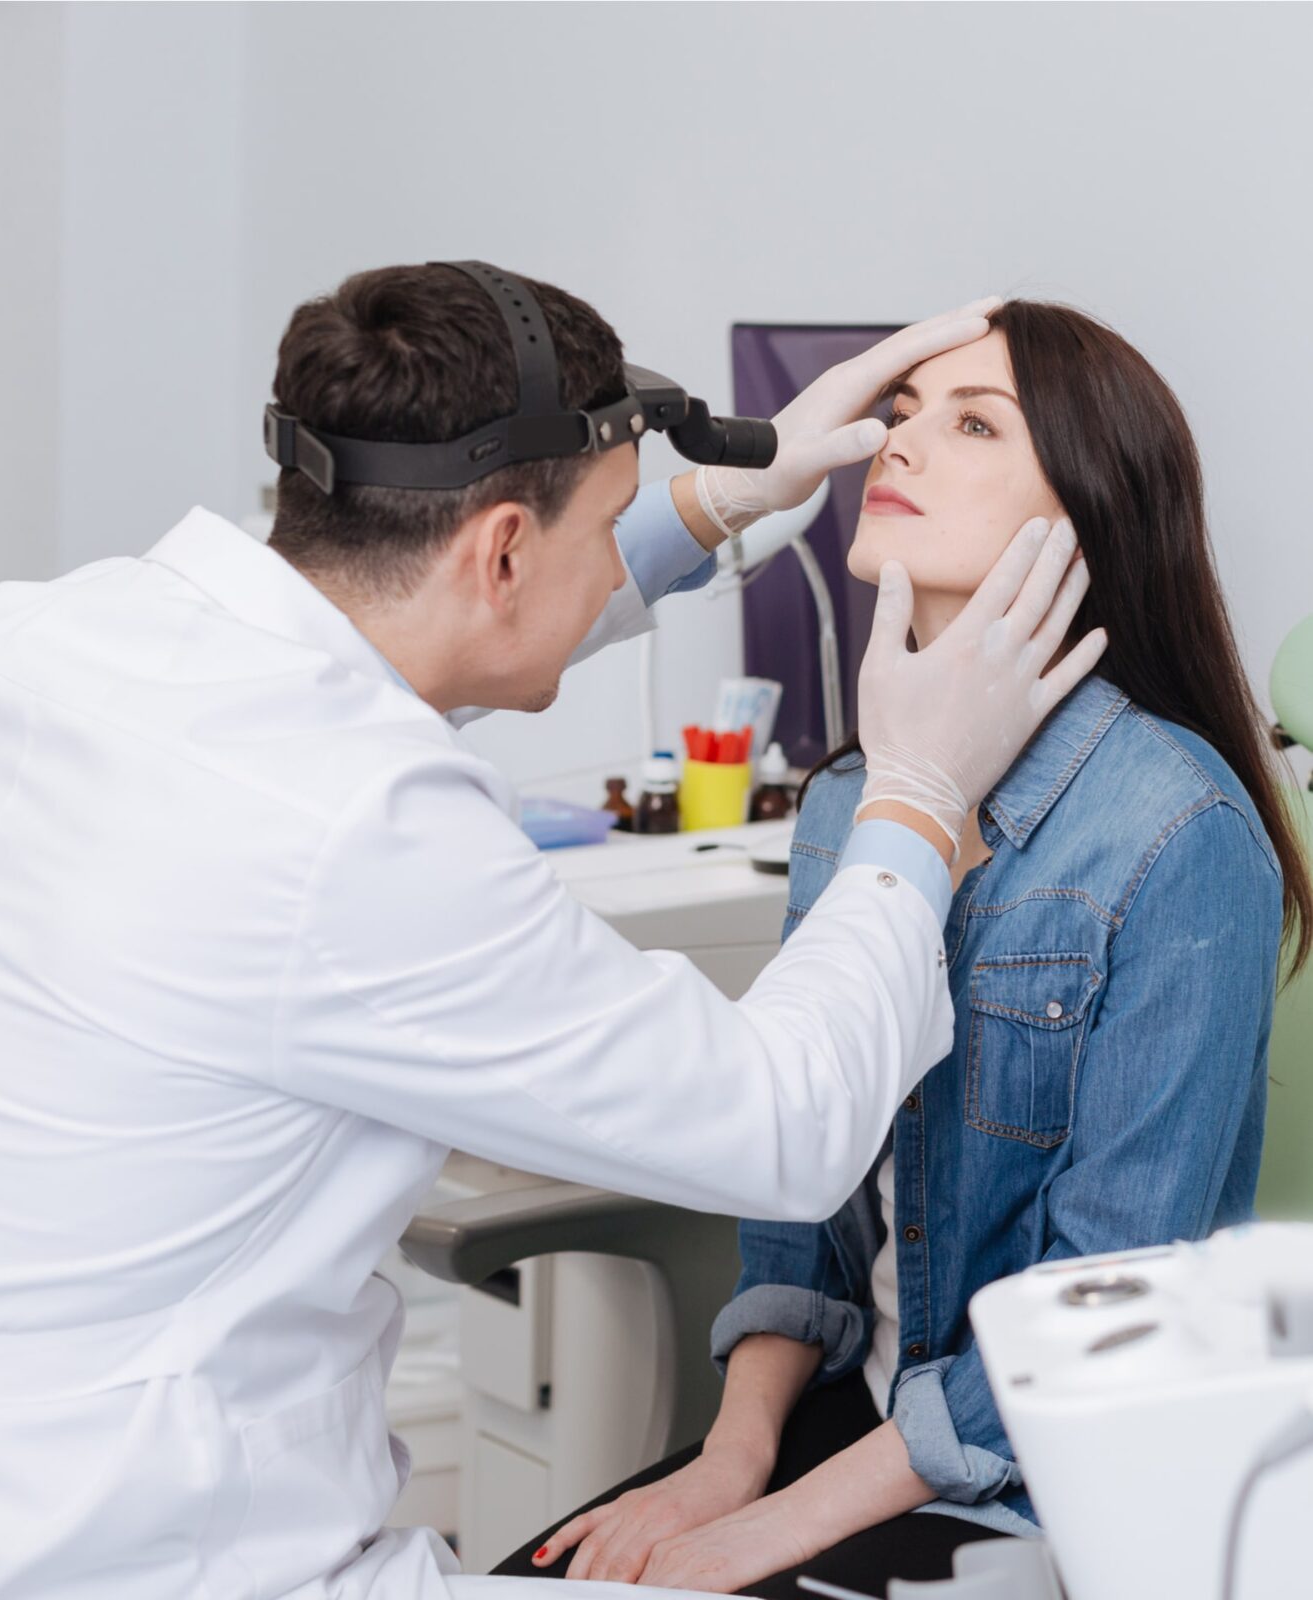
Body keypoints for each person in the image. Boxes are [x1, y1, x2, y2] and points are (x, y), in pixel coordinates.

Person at [0, 268, 1102, 1600]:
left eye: (972, 424)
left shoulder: (61, 634)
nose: (909, 444)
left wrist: (706, 507)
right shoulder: (366, 825)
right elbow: (785, 1131)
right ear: (505, 551)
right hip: (162, 1553)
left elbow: (395, 654)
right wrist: (918, 801)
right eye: (618, 524)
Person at [510, 300, 1311, 1597]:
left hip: (1041, 1477)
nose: (897, 445)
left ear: (1086, 510)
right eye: (898, 413)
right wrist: (731, 1459)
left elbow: (1096, 1319)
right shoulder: (853, 803)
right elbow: (799, 1205)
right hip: (848, 1422)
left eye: (972, 422)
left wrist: (777, 1527)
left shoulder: (1175, 834)